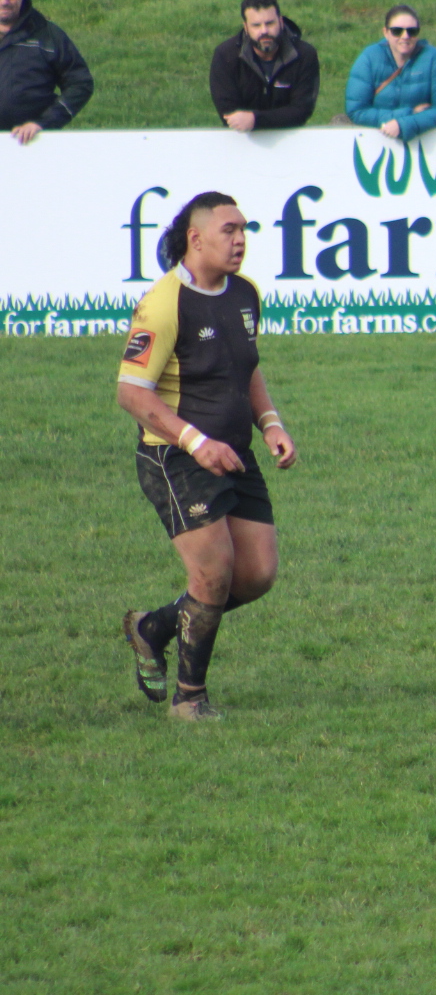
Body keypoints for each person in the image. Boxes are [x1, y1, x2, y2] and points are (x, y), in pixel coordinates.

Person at [117, 192, 298, 721]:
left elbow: (246, 364)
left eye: (244, 230)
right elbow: (132, 393)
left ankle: (152, 628)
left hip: (234, 453)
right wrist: (198, 442)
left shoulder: (244, 292)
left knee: (257, 573)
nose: (240, 239)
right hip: (175, 459)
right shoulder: (164, 302)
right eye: (229, 230)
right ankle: (189, 699)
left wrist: (271, 424)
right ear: (196, 238)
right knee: (214, 573)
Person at [0, 0, 92, 143]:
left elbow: (80, 83)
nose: (4, 1)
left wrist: (43, 123)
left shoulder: (48, 36)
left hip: (33, 145)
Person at [209, 0, 320, 133]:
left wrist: (255, 120)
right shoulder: (225, 55)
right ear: (246, 27)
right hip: (242, 140)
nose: (264, 31)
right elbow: (230, 113)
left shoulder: (304, 54)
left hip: (289, 138)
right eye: (256, 25)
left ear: (280, 21)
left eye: (270, 23)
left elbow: (301, 110)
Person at [343, 5, 436, 141]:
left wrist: (404, 125)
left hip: (425, 144)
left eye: (412, 31)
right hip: (374, 141)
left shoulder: (435, 59)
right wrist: (408, 114)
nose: (405, 36)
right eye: (397, 31)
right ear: (385, 32)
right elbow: (356, 111)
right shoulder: (368, 58)